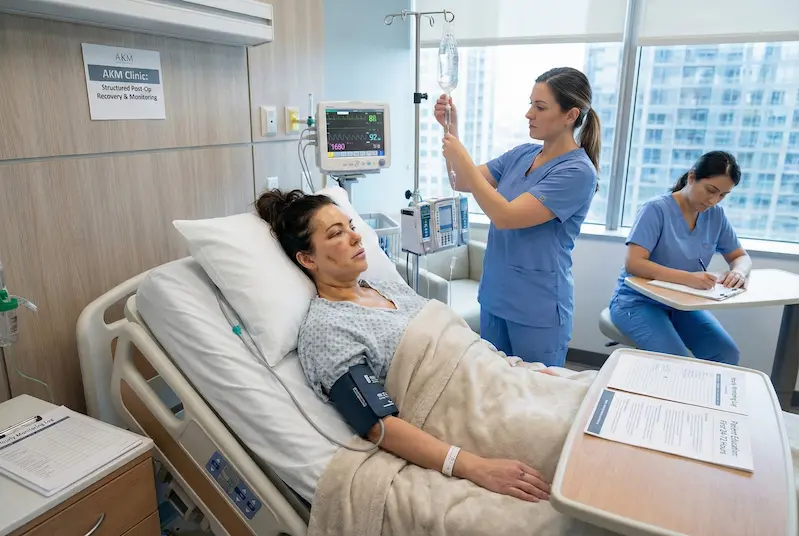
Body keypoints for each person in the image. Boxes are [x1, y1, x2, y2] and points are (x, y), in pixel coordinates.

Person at [257, 188, 556, 504]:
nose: (356, 239)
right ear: (307, 258)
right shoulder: (327, 329)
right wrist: (475, 467)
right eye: (336, 234)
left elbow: (458, 342)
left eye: (351, 227)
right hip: (470, 415)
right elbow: (377, 425)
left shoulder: (385, 289)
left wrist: (518, 371)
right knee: (566, 442)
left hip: (504, 385)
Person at [436, 67, 600, 367]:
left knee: (536, 398)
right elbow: (461, 181)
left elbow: (506, 216)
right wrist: (451, 129)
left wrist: (463, 157)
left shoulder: (577, 172)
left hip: (537, 308)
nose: (529, 114)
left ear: (570, 115)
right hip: (496, 297)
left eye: (540, 107)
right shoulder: (522, 154)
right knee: (494, 390)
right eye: (530, 104)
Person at [608, 151, 752, 365]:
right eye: (711, 190)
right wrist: (688, 278)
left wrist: (738, 272)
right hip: (637, 302)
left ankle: (699, 398)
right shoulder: (656, 209)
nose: (714, 200)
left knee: (727, 353)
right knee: (676, 361)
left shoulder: (716, 216)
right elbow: (634, 263)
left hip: (681, 304)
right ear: (692, 177)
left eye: (722, 195)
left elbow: (741, 256)